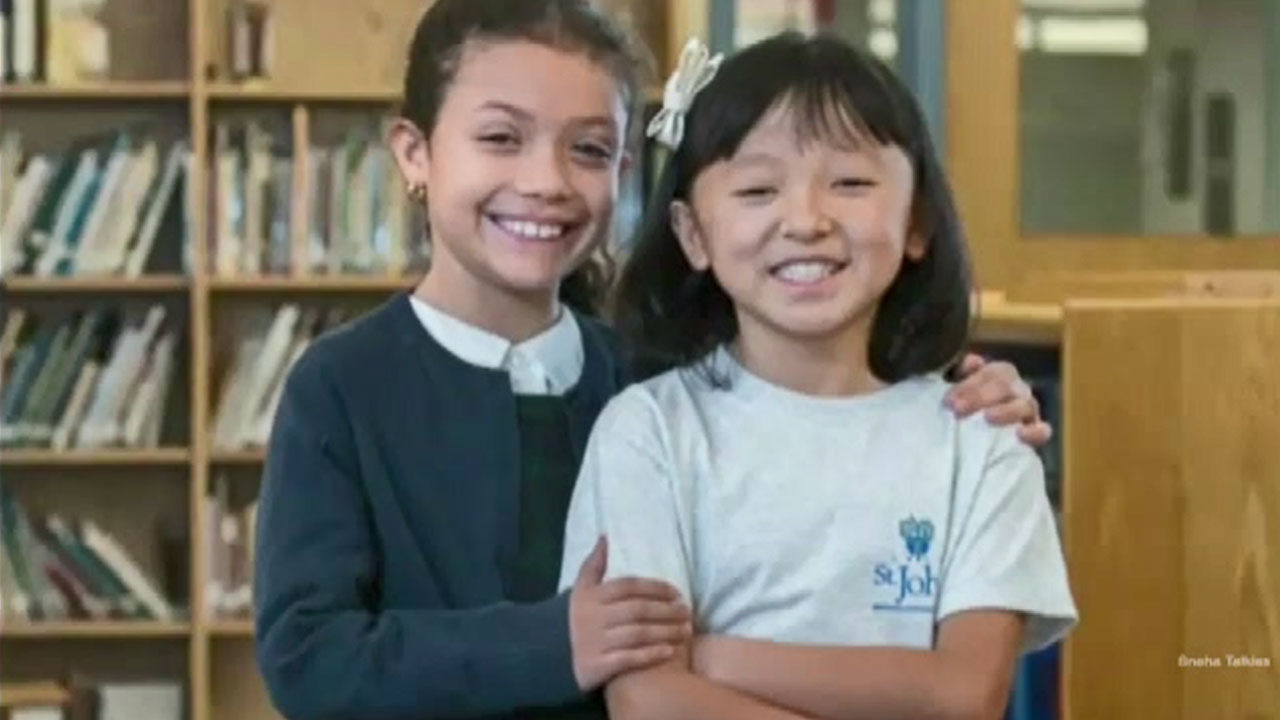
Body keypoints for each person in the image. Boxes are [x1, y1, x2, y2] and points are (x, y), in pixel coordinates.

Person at [253, 1, 1055, 718]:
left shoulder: (649, 374)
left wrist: (977, 387)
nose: (546, 181)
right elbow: (308, 658)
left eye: (589, 149)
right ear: (414, 153)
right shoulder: (340, 387)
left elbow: (811, 399)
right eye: (500, 138)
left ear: (625, 174)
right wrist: (554, 641)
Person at [558, 32, 1078, 720]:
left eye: (851, 183)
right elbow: (647, 698)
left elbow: (964, 695)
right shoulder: (648, 431)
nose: (805, 221)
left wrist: (711, 655)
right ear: (693, 235)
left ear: (917, 221)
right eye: (757, 189)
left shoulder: (982, 439)